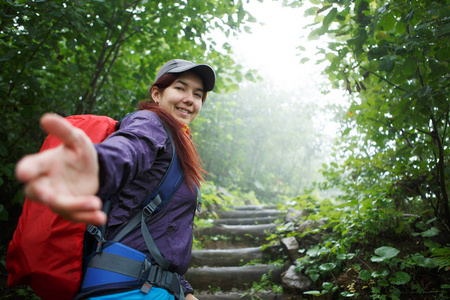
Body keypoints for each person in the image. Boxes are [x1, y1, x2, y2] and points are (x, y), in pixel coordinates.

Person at [15, 59, 216, 300]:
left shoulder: (178, 147)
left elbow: (165, 232)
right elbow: (127, 151)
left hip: (143, 287)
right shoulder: (151, 124)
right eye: (180, 88)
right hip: (126, 288)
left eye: (197, 94)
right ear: (156, 94)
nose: (189, 99)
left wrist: (184, 290)